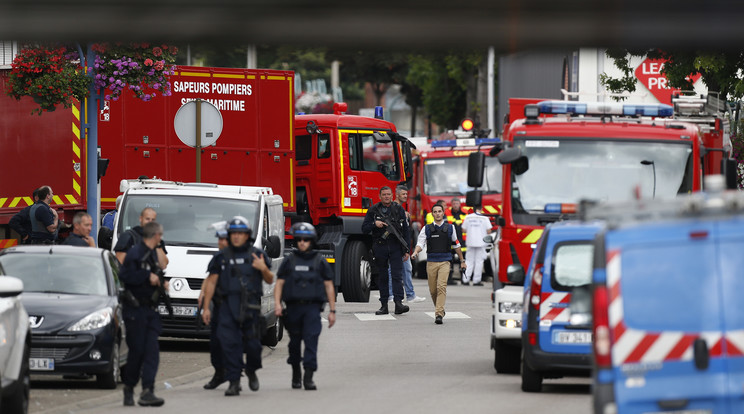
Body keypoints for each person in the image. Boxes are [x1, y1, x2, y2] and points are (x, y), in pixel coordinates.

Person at [200, 216, 274, 397]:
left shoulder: (257, 255)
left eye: (240, 233)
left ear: (247, 235)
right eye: (233, 233)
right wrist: (206, 307)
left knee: (254, 346)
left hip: (250, 306)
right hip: (226, 307)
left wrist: (262, 268)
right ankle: (234, 381)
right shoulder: (221, 257)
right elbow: (211, 282)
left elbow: (270, 279)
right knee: (230, 344)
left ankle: (251, 369)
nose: (236, 237)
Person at [274, 222, 336, 390]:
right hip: (293, 309)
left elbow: (329, 285)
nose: (302, 242)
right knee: (294, 344)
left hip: (312, 309)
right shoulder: (289, 260)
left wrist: (332, 310)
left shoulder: (319, 261)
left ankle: (308, 376)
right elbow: (279, 283)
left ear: (311, 241)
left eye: (306, 239)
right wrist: (277, 304)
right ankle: (296, 372)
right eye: (299, 239)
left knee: (311, 342)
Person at [120, 221, 169, 407]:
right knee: (137, 353)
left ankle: (148, 390)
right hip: (135, 311)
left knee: (152, 352)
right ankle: (129, 387)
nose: (161, 239)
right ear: (155, 236)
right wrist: (146, 277)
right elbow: (125, 276)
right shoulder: (135, 253)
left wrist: (161, 283)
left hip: (150, 311)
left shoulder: (152, 255)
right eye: (160, 235)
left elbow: (156, 273)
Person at [410, 204, 465, 324]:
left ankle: (439, 314)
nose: (438, 214)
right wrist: (415, 252)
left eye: (440, 211)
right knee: (433, 291)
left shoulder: (450, 228)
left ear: (443, 213)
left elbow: (456, 244)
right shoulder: (427, 228)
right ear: (432, 214)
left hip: (445, 261)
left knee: (441, 287)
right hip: (431, 262)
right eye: (435, 212)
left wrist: (462, 261)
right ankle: (440, 308)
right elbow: (420, 243)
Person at [362, 186, 410, 316]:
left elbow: (405, 230)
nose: (387, 196)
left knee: (397, 276)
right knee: (382, 277)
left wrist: (407, 250)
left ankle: (398, 303)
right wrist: (374, 224)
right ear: (380, 196)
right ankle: (384, 305)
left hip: (395, 246)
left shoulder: (398, 209)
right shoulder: (373, 210)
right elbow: (364, 228)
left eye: (389, 194)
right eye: (384, 194)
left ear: (392, 195)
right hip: (380, 246)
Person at [200, 221, 229, 390]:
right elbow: (211, 279)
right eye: (219, 240)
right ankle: (220, 372)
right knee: (216, 343)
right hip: (220, 305)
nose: (220, 243)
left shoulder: (240, 255)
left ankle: (233, 374)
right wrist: (203, 295)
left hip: (236, 306)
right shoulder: (218, 258)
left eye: (223, 239)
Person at [387, 185, 425, 303]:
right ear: (397, 194)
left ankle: (410, 295)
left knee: (407, 269)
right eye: (403, 194)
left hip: (402, 246)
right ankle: (391, 295)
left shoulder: (401, 209)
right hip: (394, 246)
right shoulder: (393, 208)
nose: (405, 196)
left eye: (406, 194)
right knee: (392, 270)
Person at [461, 210, 492, 286]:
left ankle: (465, 280)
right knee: (479, 262)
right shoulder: (484, 218)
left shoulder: (468, 217)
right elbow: (489, 231)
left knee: (468, 261)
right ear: (481, 209)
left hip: (470, 242)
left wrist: (472, 230)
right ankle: (476, 280)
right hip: (481, 242)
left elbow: (463, 229)